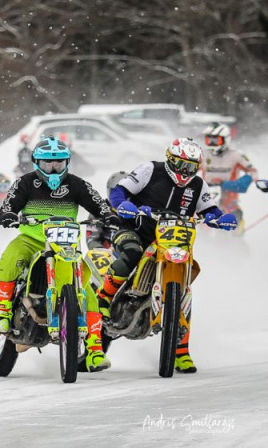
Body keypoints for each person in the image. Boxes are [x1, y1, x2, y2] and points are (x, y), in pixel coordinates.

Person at [97, 137, 238, 373]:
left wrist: (220, 218)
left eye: (191, 167)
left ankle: (181, 352)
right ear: (170, 160)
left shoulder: (198, 185)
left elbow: (209, 209)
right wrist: (123, 205)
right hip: (137, 230)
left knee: (185, 290)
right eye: (181, 165)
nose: (185, 172)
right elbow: (121, 190)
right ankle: (104, 298)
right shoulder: (150, 169)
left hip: (175, 239)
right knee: (131, 254)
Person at [0, 137, 119, 372]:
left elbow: (98, 204)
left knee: (86, 288)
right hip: (31, 240)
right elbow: (10, 204)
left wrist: (109, 215)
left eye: (59, 164)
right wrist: (9, 215)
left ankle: (94, 349)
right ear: (36, 163)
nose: (53, 170)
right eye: (48, 164)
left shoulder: (77, 184)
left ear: (67, 163)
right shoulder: (25, 183)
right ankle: (2, 311)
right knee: (11, 257)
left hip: (66, 246)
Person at [199, 122, 258, 234]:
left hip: (229, 197)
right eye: (209, 140)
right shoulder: (203, 154)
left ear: (225, 140)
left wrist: (245, 182)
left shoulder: (236, 155)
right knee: (196, 219)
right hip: (206, 197)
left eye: (216, 140)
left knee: (236, 219)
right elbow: (190, 170)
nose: (212, 143)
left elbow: (253, 171)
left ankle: (238, 243)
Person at [85, 170, 128, 250]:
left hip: (131, 254)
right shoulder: (98, 211)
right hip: (106, 256)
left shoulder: (137, 211)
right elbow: (92, 240)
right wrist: (101, 251)